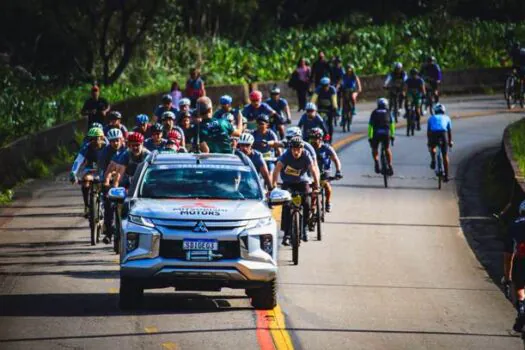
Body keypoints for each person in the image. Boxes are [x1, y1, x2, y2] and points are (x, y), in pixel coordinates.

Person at [272, 136, 320, 244]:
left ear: (302, 149)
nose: (296, 152)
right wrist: (273, 186)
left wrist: (316, 186)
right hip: (288, 183)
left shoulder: (306, 155)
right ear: (290, 149)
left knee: (307, 203)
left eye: (298, 149)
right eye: (294, 149)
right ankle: (286, 234)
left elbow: (313, 170)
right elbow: (276, 170)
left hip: (302, 182)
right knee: (286, 206)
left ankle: (304, 230)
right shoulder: (286, 155)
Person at [69, 127, 107, 217]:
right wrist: (73, 173)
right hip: (91, 170)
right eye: (91, 139)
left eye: (96, 138)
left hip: (105, 170)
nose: (93, 141)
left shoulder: (108, 146)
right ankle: (87, 205)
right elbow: (78, 160)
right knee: (85, 181)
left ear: (102, 138)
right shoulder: (87, 147)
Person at [99, 128, 126, 244]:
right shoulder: (105, 152)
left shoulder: (126, 150)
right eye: (112, 141)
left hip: (124, 180)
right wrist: (105, 183)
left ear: (122, 140)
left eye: (117, 140)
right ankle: (109, 233)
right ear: (109, 142)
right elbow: (105, 170)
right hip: (110, 180)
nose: (115, 143)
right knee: (108, 204)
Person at [503, 200, 525, 333]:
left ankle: (522, 309)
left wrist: (507, 277)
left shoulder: (514, 225)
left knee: (519, 287)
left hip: (521, 260)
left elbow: (508, 254)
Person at [308, 128, 342, 213]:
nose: (314, 140)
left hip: (324, 172)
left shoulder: (326, 148)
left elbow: (336, 159)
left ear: (321, 138)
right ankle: (312, 207)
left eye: (316, 138)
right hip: (311, 173)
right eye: (312, 138)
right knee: (311, 190)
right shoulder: (308, 148)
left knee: (327, 186)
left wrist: (338, 171)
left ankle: (327, 202)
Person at [368, 98, 395, 175]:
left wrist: (370, 137)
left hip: (376, 133)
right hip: (386, 133)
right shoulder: (388, 112)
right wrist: (392, 135)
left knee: (374, 148)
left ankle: (376, 162)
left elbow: (370, 126)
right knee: (387, 148)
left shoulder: (374, 112)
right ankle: (390, 165)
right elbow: (392, 125)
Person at [427, 103, 453, 182]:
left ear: (435, 111)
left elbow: (429, 131)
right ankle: (446, 176)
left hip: (434, 134)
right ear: (443, 111)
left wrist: (429, 142)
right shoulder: (447, 118)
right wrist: (450, 141)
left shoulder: (431, 118)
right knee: (445, 155)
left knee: (432, 147)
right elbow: (449, 131)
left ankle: (433, 160)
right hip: (443, 134)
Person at [310, 77, 338, 142]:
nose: (325, 87)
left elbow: (334, 100)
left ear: (329, 84)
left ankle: (329, 138)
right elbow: (313, 99)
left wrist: (335, 108)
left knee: (330, 124)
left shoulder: (332, 89)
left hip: (329, 109)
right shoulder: (318, 89)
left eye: (326, 85)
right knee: (317, 122)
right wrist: (311, 107)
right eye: (323, 86)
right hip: (321, 108)